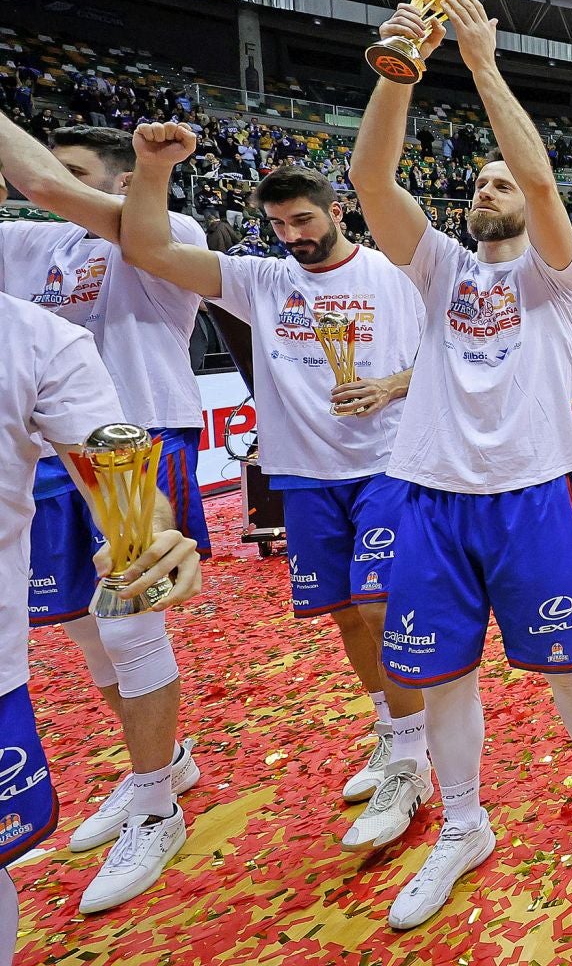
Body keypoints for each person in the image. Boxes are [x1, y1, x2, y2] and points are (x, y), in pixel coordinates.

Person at [348, 0, 572, 930]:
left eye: (497, 180)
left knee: (559, 661)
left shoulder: (554, 278)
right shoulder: (438, 267)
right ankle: (463, 824)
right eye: (479, 183)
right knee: (442, 672)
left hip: (530, 490)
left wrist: (480, 61)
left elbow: (543, 185)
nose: (489, 188)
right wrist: (400, 68)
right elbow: (373, 185)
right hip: (430, 495)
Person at [116, 138, 432, 850]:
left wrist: (389, 384)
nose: (294, 237)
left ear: (335, 209)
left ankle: (414, 761)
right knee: (346, 613)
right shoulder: (261, 279)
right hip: (304, 470)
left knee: (381, 601)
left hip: (387, 463)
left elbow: (444, 354)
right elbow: (146, 250)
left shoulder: (393, 274)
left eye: (303, 221)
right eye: (281, 226)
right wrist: (158, 171)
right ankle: (391, 729)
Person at [0, 116, 204, 912]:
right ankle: (165, 763)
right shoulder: (26, 246)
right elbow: (40, 190)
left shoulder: (162, 227)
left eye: (73, 172)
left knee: (129, 622)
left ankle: (159, 807)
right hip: (46, 454)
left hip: (137, 437)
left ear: (119, 183)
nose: (41, 190)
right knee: (87, 629)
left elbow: (42, 182)